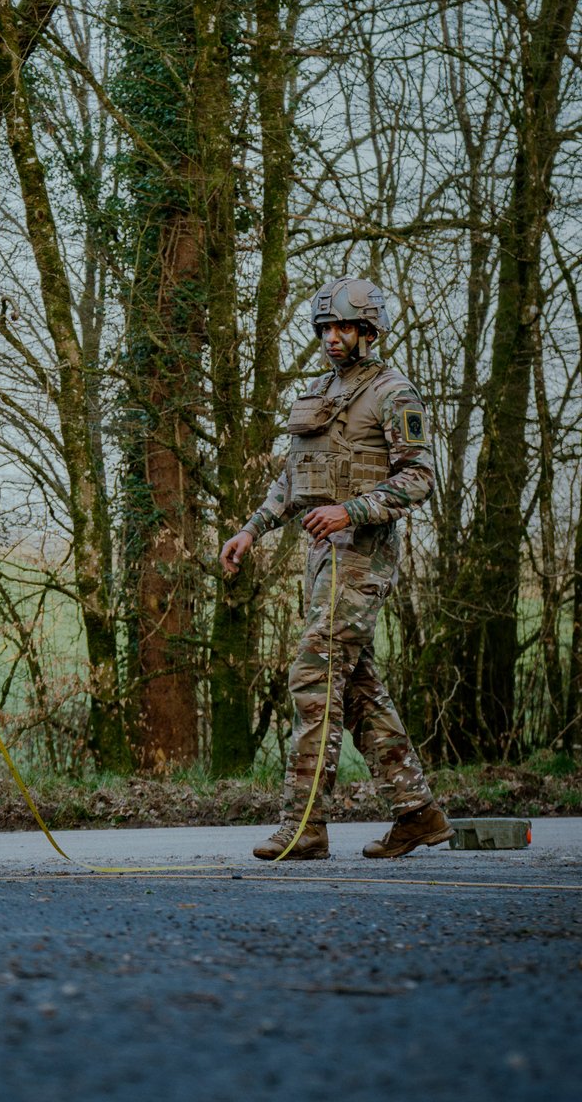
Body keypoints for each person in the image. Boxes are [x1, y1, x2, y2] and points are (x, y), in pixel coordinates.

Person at [219, 277, 453, 861]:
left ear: (369, 331)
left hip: (363, 555)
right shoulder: (322, 391)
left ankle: (304, 826)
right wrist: (250, 529)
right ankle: (417, 814)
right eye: (325, 327)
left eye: (344, 327)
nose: (332, 337)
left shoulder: (395, 394)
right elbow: (291, 479)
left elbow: (419, 478)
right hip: (323, 558)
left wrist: (350, 509)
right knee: (356, 691)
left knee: (314, 676)